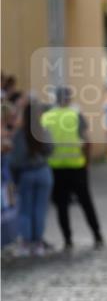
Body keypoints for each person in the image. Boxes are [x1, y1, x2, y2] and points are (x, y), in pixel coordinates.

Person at [41, 86, 104, 251]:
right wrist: (87, 162)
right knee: (86, 203)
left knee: (61, 205)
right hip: (77, 166)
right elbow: (86, 141)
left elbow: (43, 143)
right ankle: (97, 235)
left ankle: (67, 239)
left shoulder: (46, 117)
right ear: (68, 99)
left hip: (55, 168)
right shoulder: (76, 115)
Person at [9, 101, 53, 256]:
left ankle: (26, 243)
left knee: (25, 210)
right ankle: (38, 242)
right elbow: (50, 149)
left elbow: (15, 160)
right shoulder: (43, 131)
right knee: (40, 209)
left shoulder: (20, 134)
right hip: (43, 172)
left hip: (26, 174)